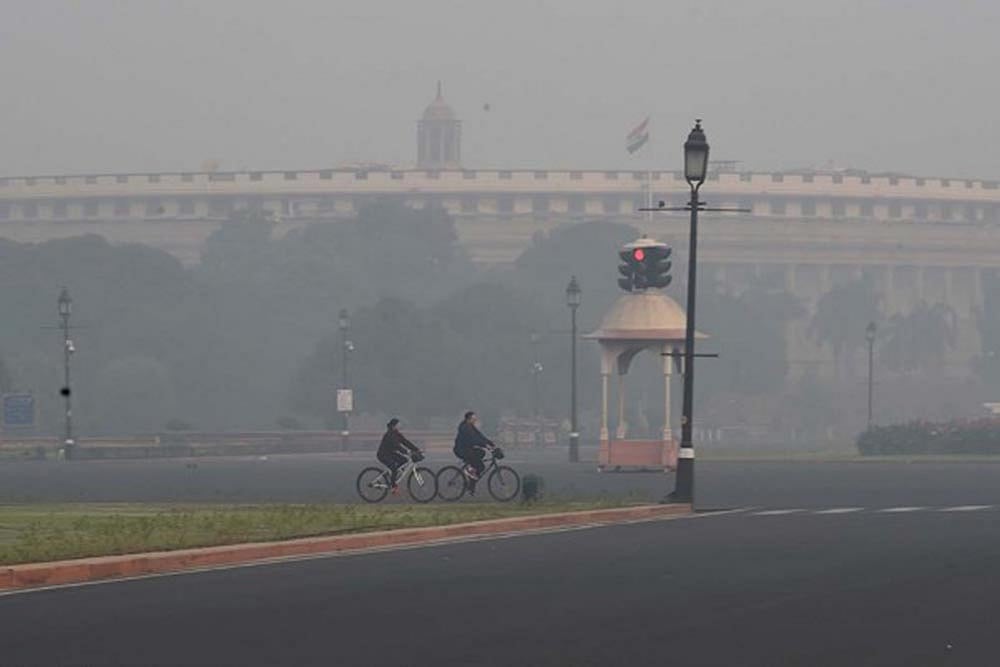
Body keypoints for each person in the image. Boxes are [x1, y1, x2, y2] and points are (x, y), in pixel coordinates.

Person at [454, 411, 495, 494]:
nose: (475, 420)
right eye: (474, 419)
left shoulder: (470, 426)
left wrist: (489, 442)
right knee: (480, 465)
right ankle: (469, 472)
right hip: (461, 450)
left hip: (467, 449)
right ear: (468, 419)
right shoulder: (465, 427)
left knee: (481, 454)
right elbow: (473, 439)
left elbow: (479, 435)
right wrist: (485, 445)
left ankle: (471, 479)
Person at [377, 418, 422, 489]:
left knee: (404, 460)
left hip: (391, 453)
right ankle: (393, 485)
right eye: (398, 424)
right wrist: (406, 451)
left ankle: (393, 474)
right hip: (383, 455)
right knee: (394, 468)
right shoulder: (389, 434)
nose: (400, 425)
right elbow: (396, 446)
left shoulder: (397, 434)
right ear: (393, 426)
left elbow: (405, 442)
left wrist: (416, 449)